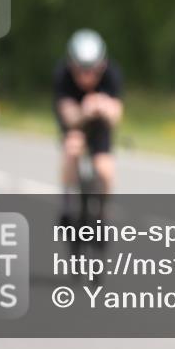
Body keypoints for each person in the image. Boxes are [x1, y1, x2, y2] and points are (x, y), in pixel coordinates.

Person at [53, 29, 123, 224]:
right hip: (74, 122)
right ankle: (67, 203)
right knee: (71, 150)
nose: (87, 76)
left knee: (105, 168)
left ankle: (104, 211)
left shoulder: (112, 74)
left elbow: (117, 114)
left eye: (92, 69)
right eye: (81, 70)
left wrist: (104, 106)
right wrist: (84, 110)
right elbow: (67, 114)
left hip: (100, 123)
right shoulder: (62, 75)